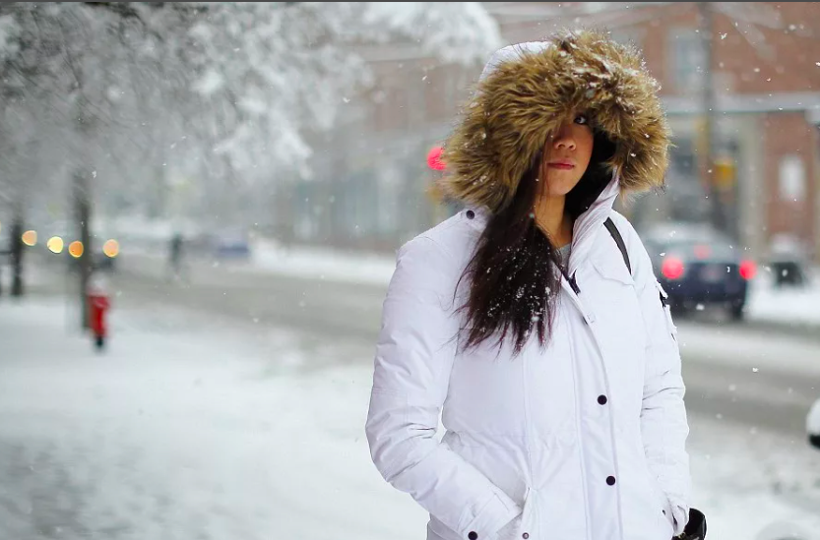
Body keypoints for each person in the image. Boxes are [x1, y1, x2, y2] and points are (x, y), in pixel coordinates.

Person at [365, 30, 691, 540]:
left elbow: (658, 391)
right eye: (546, 120)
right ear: (506, 135)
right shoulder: (437, 261)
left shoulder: (620, 245)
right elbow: (400, 436)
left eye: (582, 119)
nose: (566, 138)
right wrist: (507, 528)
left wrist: (668, 504)